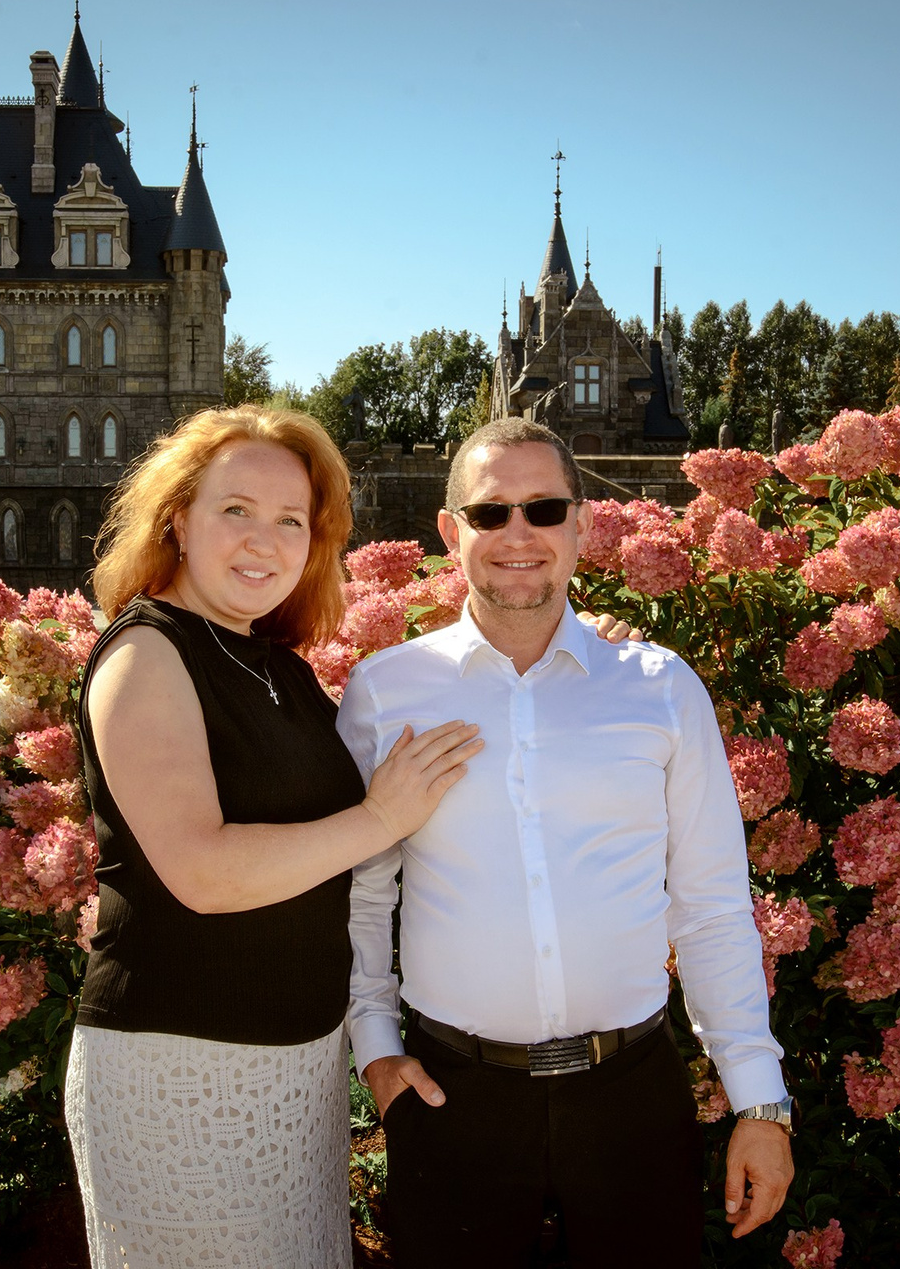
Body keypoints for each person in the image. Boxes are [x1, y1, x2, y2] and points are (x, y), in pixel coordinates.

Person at [67, 405, 637, 1267]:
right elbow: (200, 871)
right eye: (236, 509)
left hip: (296, 1068)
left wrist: (585, 661)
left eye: (290, 520)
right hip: (178, 1064)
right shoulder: (148, 654)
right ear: (177, 518)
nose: (264, 540)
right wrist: (378, 819)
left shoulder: (273, 665)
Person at [343, 417, 796, 1266]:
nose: (518, 534)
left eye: (545, 510)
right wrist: (376, 1051)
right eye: (490, 513)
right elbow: (361, 894)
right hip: (451, 1100)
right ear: (450, 531)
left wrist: (759, 1104)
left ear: (582, 525)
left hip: (633, 1098)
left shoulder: (660, 688)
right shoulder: (384, 692)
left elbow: (710, 907)